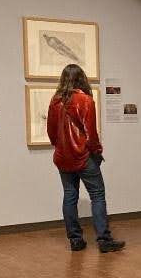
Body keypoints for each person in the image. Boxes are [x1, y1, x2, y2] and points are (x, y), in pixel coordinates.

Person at [47, 64, 125, 253]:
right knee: (97, 195)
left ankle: (75, 239)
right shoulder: (85, 100)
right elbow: (90, 133)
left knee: (69, 195)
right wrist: (97, 152)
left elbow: (51, 132)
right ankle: (104, 240)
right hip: (83, 156)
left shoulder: (55, 101)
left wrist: (60, 147)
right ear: (81, 78)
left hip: (62, 158)